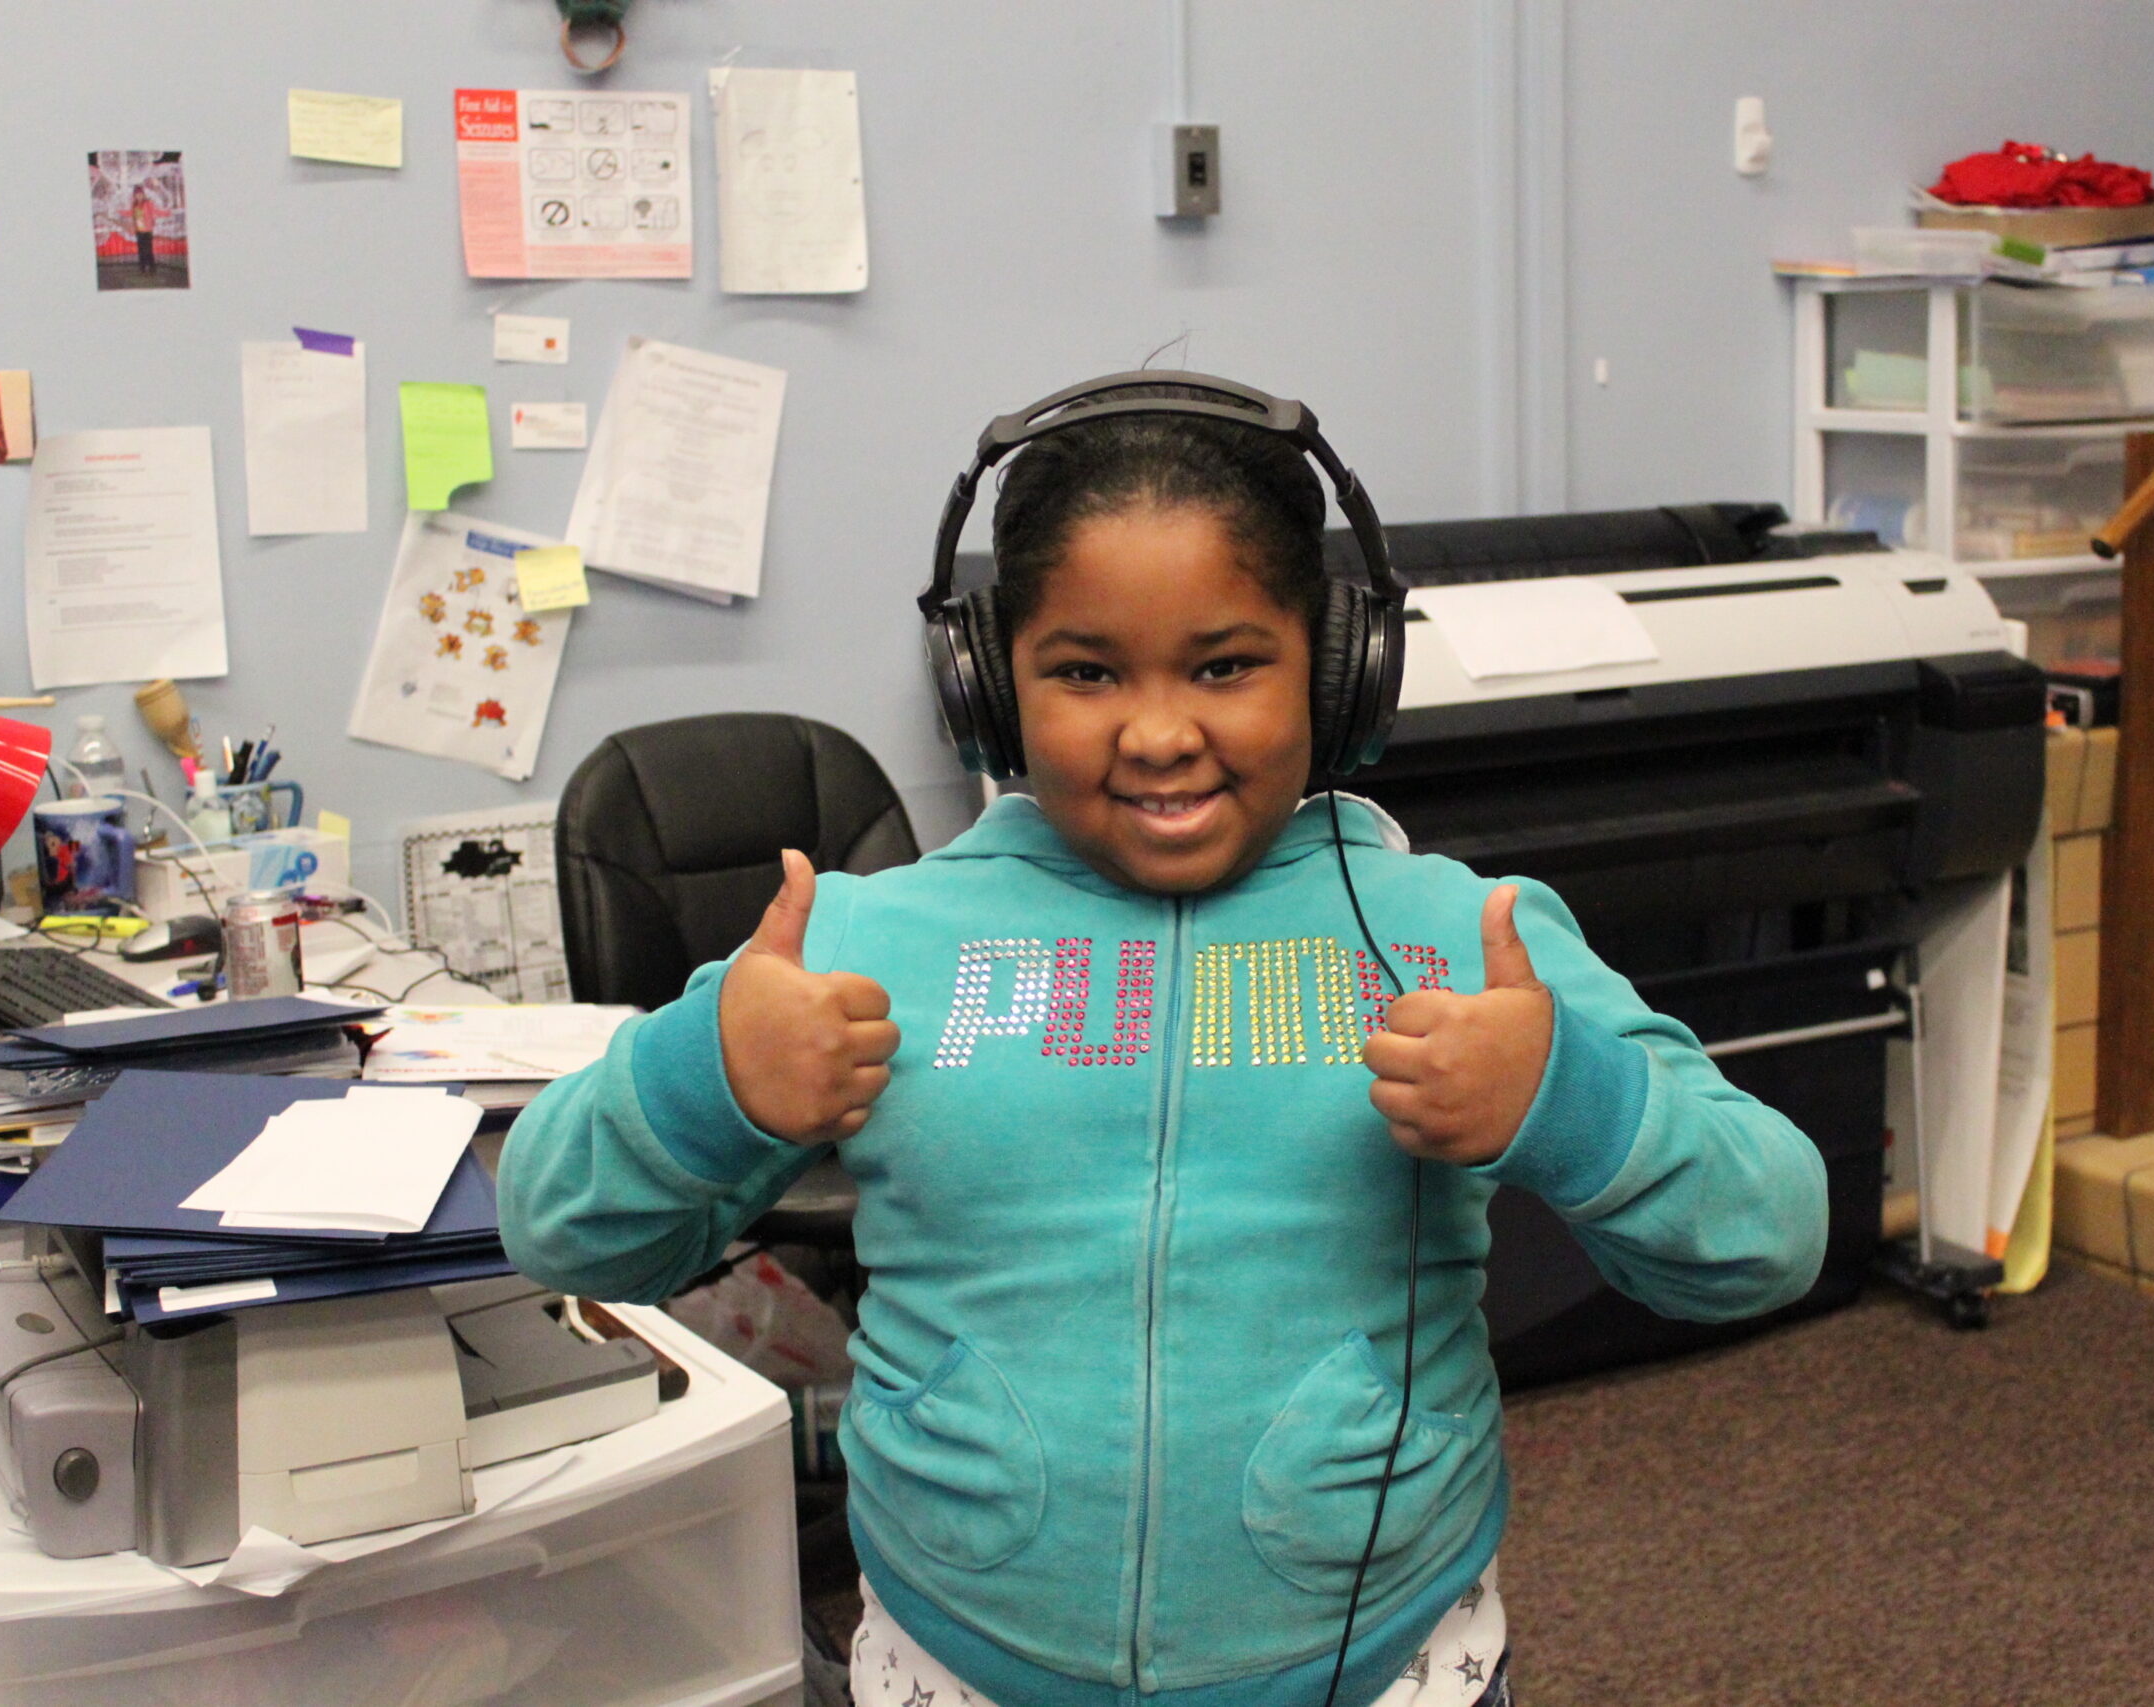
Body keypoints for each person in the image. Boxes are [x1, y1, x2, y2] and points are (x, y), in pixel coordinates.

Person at [497, 383, 1829, 1707]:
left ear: (1339, 661)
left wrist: (1571, 1101)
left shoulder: (1460, 936)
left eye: (1225, 663)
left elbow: (1770, 1233)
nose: (1158, 731)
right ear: (989, 688)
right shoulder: (863, 938)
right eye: (1084, 671)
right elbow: (557, 1229)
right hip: (959, 1666)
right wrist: (704, 1085)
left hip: (1387, 1669)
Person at [128, 185, 155, 274]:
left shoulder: (148, 203)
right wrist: (134, 226)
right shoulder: (134, 204)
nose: (139, 196)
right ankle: (142, 268)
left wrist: (151, 224)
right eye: (137, 194)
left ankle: (152, 268)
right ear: (134, 195)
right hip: (139, 230)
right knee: (141, 250)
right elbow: (134, 217)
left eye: (140, 194)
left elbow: (152, 215)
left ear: (143, 194)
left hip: (147, 230)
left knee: (148, 250)